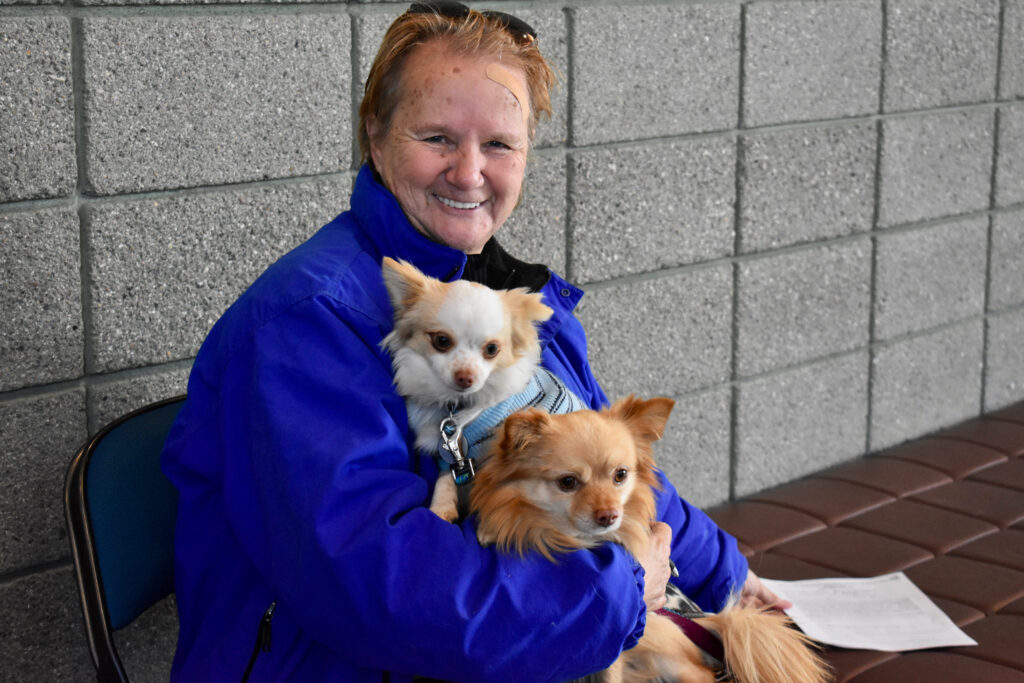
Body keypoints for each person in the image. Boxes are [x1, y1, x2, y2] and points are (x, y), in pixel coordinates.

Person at [161, 3, 782, 681]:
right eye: (436, 137)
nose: (468, 172)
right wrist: (622, 590)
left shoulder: (512, 307)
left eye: (498, 145)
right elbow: (387, 590)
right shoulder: (307, 326)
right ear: (375, 136)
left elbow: (613, 466)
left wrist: (727, 577)